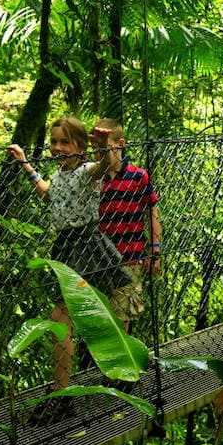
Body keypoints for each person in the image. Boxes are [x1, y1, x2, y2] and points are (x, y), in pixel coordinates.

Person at [8, 116, 131, 423]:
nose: (58, 148)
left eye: (66, 142)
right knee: (92, 310)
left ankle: (65, 393)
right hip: (66, 247)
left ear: (79, 145)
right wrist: (26, 164)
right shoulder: (61, 174)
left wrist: (103, 148)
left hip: (85, 244)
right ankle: (113, 374)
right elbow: (49, 193)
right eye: (54, 142)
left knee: (63, 318)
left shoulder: (85, 172)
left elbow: (102, 166)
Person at [91, 118, 162, 335]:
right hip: (98, 260)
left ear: (120, 144)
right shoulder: (93, 179)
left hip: (129, 259)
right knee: (100, 322)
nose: (99, 152)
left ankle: (121, 366)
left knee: (122, 320)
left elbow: (152, 213)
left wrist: (155, 251)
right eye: (95, 148)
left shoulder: (139, 177)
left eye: (105, 146)